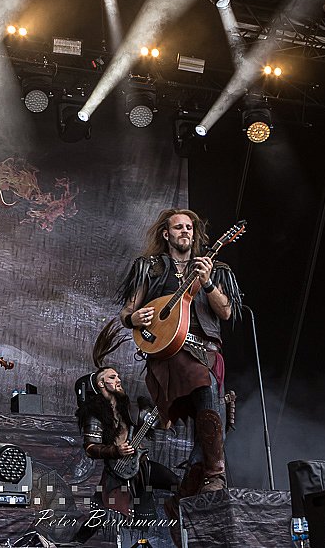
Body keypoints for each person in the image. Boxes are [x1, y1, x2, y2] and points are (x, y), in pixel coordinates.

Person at [115, 208, 241, 498]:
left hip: (208, 351)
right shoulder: (150, 267)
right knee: (205, 387)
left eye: (189, 227)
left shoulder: (215, 269)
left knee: (214, 417)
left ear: (194, 235)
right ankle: (215, 475)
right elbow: (127, 311)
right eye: (178, 227)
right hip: (170, 349)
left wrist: (207, 282)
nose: (184, 231)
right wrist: (133, 319)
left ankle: (187, 493)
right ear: (166, 234)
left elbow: (225, 312)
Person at [73, 366, 177, 539]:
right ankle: (73, 543)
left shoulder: (132, 409)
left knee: (176, 484)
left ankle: (185, 530)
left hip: (141, 467)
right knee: (100, 516)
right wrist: (115, 450)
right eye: (112, 377)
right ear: (101, 384)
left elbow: (162, 424)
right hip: (116, 471)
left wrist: (167, 407)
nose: (118, 380)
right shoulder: (94, 415)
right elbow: (90, 448)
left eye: (118, 376)